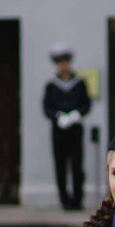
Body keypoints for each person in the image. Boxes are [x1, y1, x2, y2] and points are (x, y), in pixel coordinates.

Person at [42, 43, 92, 210]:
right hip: (58, 129)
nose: (62, 65)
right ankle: (64, 200)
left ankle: (77, 200)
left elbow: (86, 104)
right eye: (59, 62)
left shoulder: (79, 83)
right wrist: (57, 116)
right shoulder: (51, 85)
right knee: (60, 165)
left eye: (65, 61)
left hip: (75, 128)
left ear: (69, 62)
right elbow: (47, 108)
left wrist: (77, 114)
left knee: (77, 164)